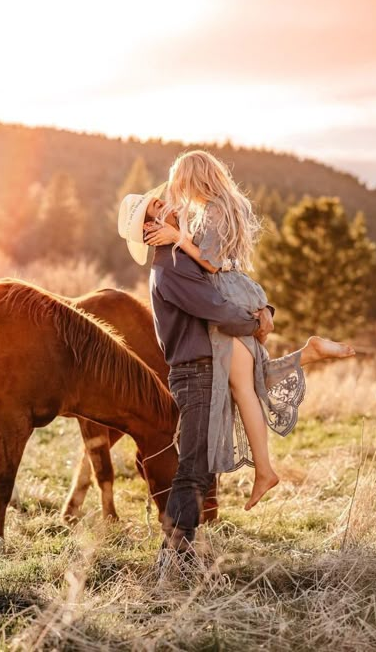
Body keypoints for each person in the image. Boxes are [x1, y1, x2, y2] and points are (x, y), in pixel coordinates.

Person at [143, 150, 355, 510]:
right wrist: (179, 234)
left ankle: (265, 470)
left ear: (192, 178)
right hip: (239, 289)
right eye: (157, 209)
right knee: (252, 377)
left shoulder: (207, 215)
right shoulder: (223, 208)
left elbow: (209, 263)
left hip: (228, 293)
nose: (171, 196)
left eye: (176, 183)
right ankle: (309, 353)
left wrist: (178, 237)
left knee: (244, 387)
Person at [118, 188, 273, 552]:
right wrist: (255, 324)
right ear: (151, 227)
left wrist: (264, 312)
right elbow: (215, 308)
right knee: (192, 469)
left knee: (200, 470)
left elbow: (225, 286)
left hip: (208, 369)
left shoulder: (184, 255)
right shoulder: (171, 266)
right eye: (157, 206)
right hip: (196, 373)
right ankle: (172, 559)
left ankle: (180, 555)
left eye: (159, 198)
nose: (167, 202)